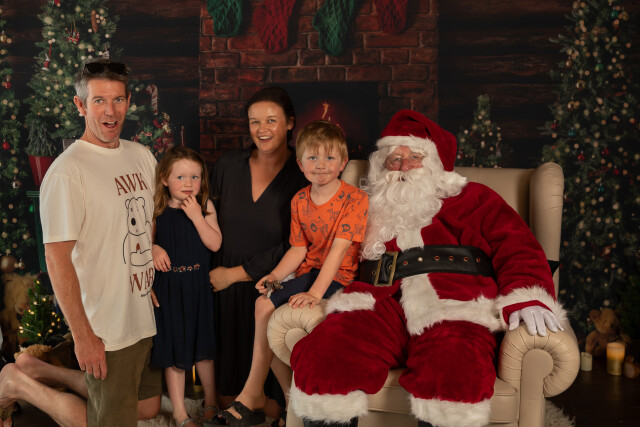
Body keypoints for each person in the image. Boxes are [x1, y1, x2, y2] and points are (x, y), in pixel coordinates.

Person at [288, 110, 567, 427]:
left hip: (457, 305)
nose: (403, 166)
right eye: (394, 159)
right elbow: (325, 247)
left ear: (435, 163)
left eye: (414, 157)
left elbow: (518, 247)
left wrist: (527, 295)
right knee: (326, 355)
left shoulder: (475, 198)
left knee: (453, 374)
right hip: (378, 303)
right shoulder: (365, 204)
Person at [20, 57, 162, 426]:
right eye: (99, 101)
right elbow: (57, 258)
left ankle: (42, 370)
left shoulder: (142, 156)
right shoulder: (67, 172)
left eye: (117, 100)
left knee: (147, 407)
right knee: (111, 420)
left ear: (128, 102)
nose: (110, 111)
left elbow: (146, 222)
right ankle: (19, 385)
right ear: (80, 105)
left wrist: (146, 271)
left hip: (142, 313)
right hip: (106, 326)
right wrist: (83, 337)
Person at [212, 121, 368, 426]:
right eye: (312, 158)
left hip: (339, 277)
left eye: (329, 158)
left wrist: (314, 294)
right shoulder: (299, 200)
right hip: (307, 272)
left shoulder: (354, 199)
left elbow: (338, 252)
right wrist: (273, 276)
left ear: (343, 163)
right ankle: (286, 399)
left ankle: (258, 396)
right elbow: (298, 250)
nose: (321, 165)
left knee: (268, 310)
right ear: (300, 163)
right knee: (262, 304)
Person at [208, 87, 309, 423]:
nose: (262, 129)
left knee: (271, 408)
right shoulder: (227, 166)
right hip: (223, 292)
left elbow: (297, 243)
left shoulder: (304, 174)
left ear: (290, 123)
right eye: (254, 121)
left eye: (271, 120)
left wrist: (236, 274)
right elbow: (206, 221)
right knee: (226, 398)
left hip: (269, 285)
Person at [151, 147, 223, 427]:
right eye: (180, 177)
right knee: (175, 352)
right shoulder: (157, 210)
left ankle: (211, 402)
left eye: (195, 176)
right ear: (164, 179)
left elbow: (215, 244)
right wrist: (154, 248)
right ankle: (180, 412)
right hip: (169, 290)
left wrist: (196, 217)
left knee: (204, 349)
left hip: (198, 288)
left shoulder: (205, 206)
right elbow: (144, 244)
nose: (188, 183)